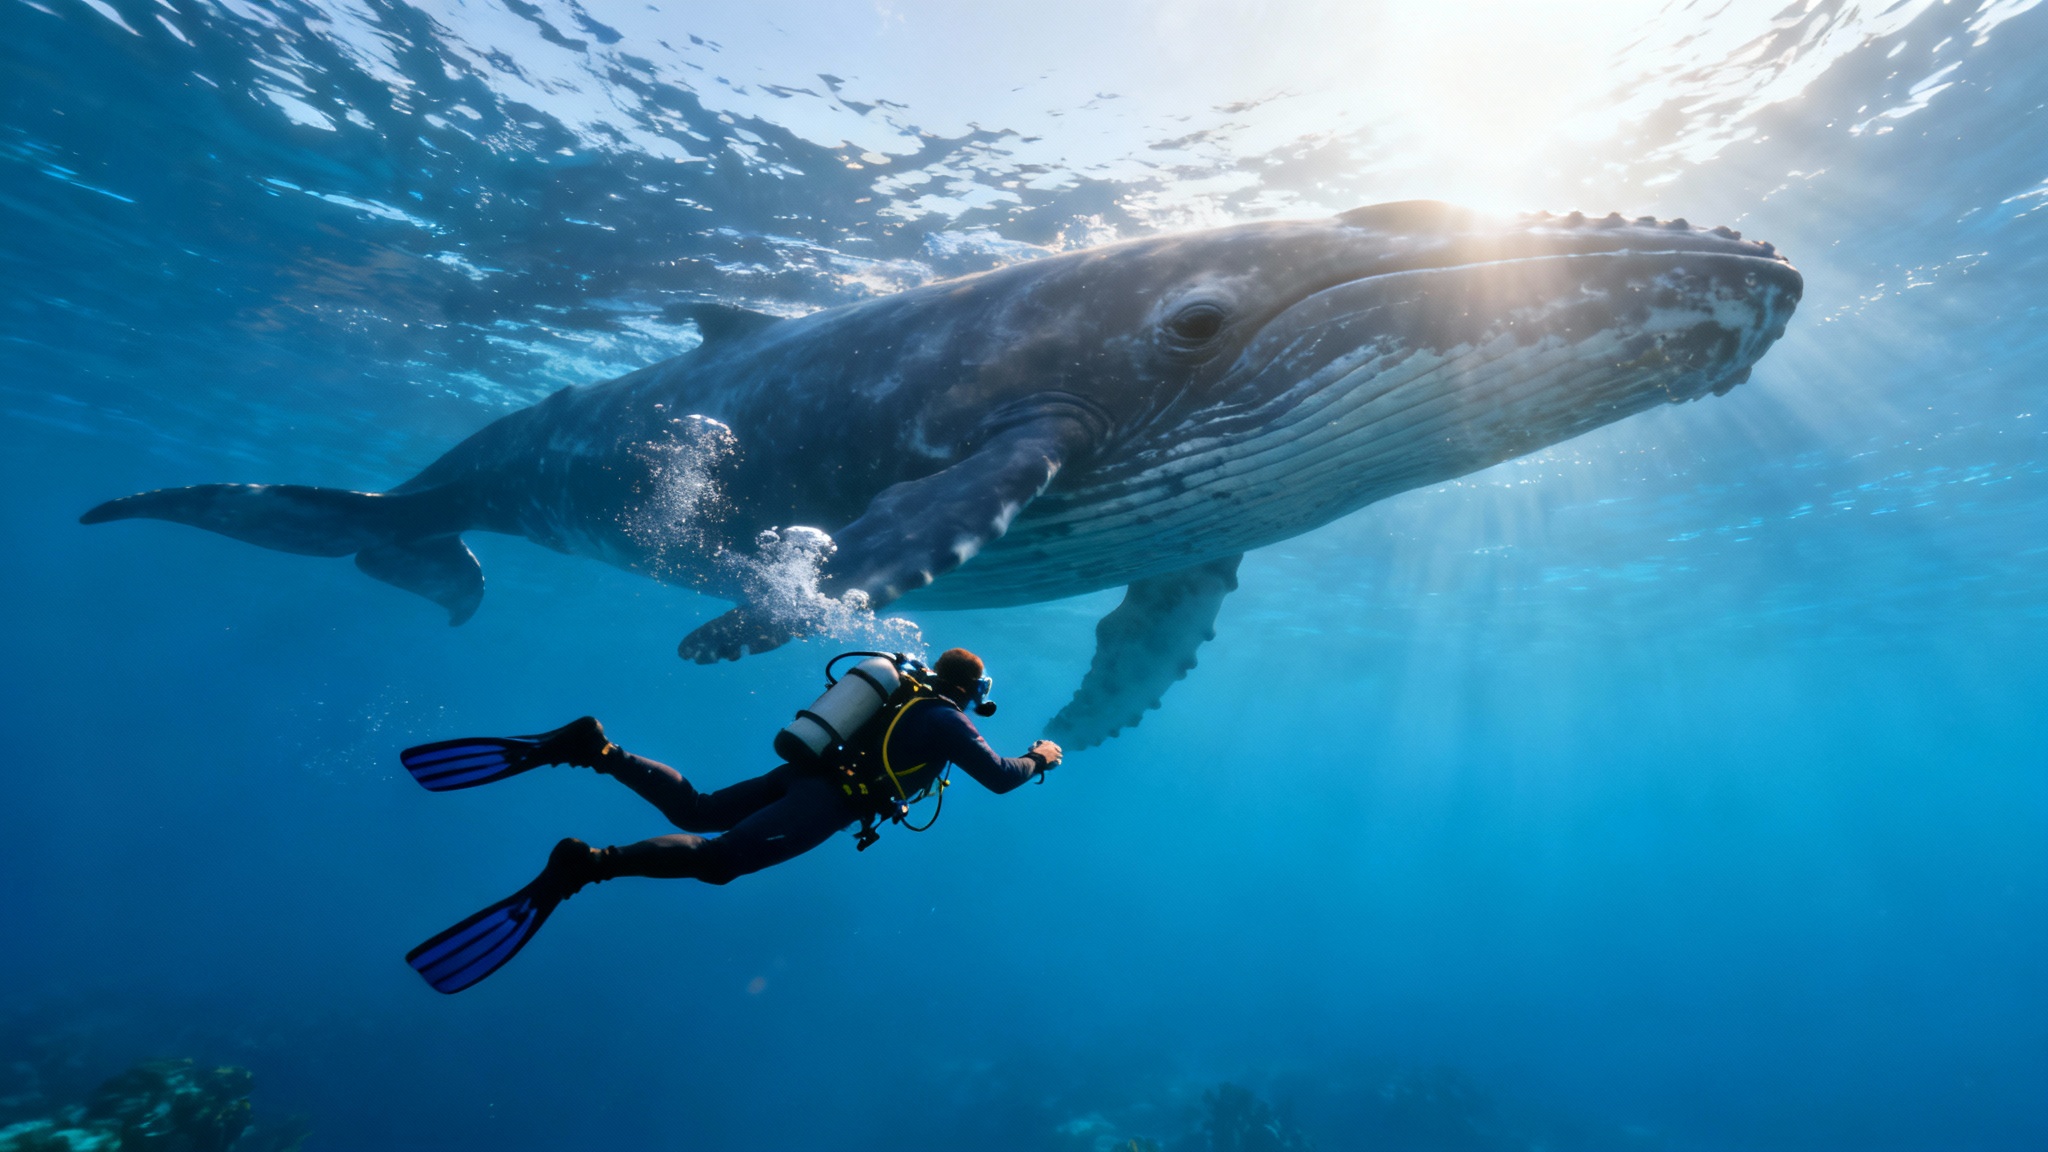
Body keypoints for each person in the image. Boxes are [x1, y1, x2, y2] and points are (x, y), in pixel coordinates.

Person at [400, 648, 1063, 993]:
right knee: (719, 862)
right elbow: (1000, 778)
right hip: (826, 802)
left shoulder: (900, 697)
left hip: (806, 775)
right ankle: (588, 865)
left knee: (699, 809)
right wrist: (1039, 756)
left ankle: (596, 750)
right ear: (973, 693)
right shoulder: (945, 719)